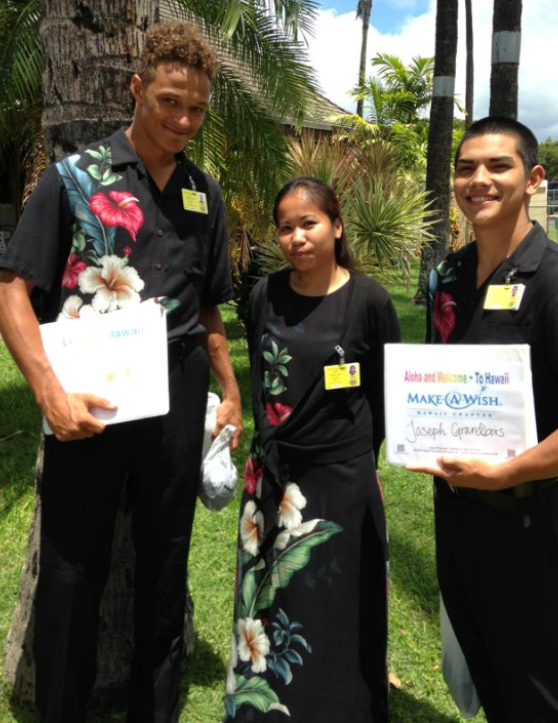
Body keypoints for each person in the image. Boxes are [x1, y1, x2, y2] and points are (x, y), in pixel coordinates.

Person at [0, 22, 242, 723]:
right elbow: (9, 292)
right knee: (72, 573)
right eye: (168, 102)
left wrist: (230, 391)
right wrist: (49, 392)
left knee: (166, 569)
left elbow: (212, 310)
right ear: (136, 89)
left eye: (195, 108)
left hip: (178, 393)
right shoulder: (73, 179)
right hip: (88, 402)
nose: (183, 120)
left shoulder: (204, 196)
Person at [408, 117, 558, 722]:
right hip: (456, 514)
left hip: (525, 523)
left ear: (533, 179)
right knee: (489, 678)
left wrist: (506, 473)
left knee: (540, 696)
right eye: (466, 167)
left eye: (497, 166)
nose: (478, 180)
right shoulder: (447, 276)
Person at [224, 178, 400, 722]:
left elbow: (386, 394)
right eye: (285, 227)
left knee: (341, 601)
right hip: (273, 478)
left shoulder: (368, 299)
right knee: (274, 601)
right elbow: (263, 379)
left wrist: (348, 457)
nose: (297, 237)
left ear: (336, 226)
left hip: (342, 480)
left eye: (309, 223)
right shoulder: (264, 295)